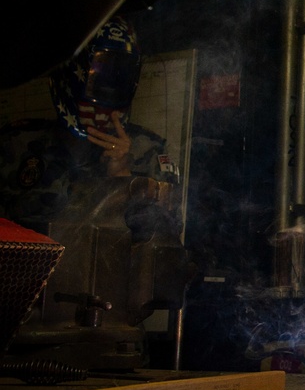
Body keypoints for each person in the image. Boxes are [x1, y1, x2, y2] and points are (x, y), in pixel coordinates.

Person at [0, 14, 179, 233]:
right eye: (99, 73)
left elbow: (163, 247)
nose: (110, 87)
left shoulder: (149, 153)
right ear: (72, 73)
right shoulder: (16, 146)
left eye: (120, 75)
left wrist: (122, 178)